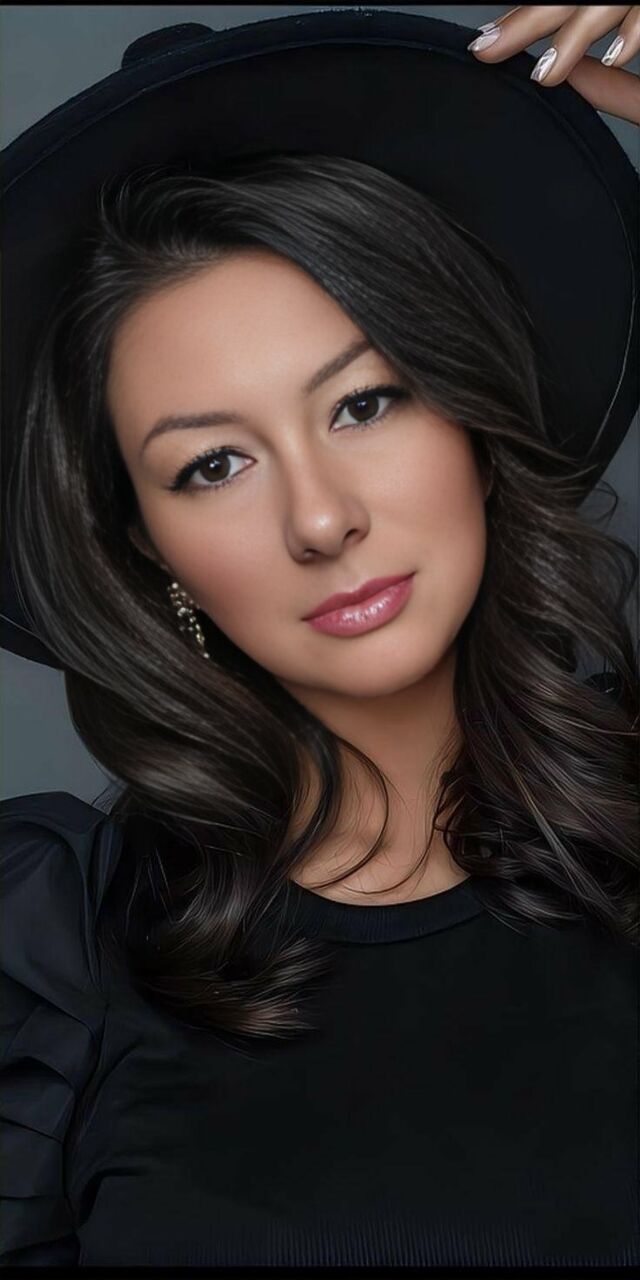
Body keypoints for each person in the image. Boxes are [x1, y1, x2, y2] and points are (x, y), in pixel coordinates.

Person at [1, 7, 638, 1269]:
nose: (319, 516)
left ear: (471, 413)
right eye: (213, 465)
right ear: (147, 546)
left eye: (364, 402)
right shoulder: (56, 950)